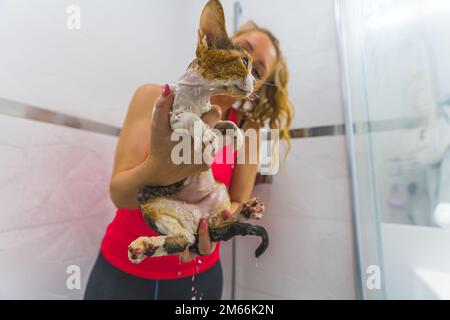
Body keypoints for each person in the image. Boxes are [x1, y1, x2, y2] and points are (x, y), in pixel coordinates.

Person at [84, 21, 293, 300]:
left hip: (198, 273)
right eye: (243, 52)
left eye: (256, 71)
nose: (246, 68)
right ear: (222, 45)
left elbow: (235, 203)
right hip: (122, 266)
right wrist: (159, 167)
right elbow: (121, 195)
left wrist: (214, 229)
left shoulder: (249, 131)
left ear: (256, 87)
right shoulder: (153, 98)